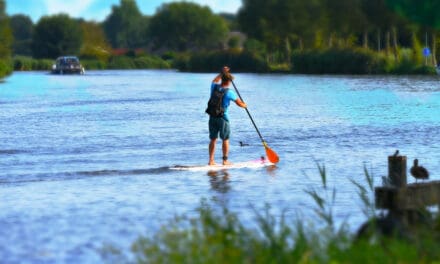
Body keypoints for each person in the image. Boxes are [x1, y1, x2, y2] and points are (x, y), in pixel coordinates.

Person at [208, 66, 247, 165]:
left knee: (213, 139)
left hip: (212, 116)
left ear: (222, 79)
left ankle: (211, 161)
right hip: (223, 118)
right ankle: (225, 161)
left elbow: (214, 80)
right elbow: (239, 104)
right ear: (229, 81)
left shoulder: (214, 87)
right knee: (225, 139)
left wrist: (222, 72)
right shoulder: (229, 92)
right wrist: (245, 105)